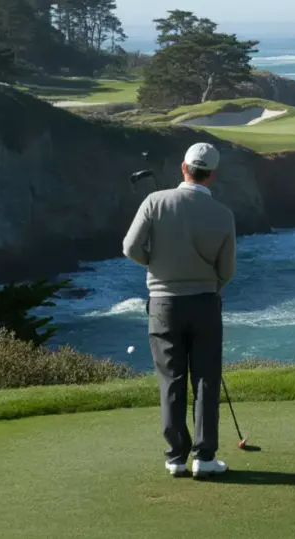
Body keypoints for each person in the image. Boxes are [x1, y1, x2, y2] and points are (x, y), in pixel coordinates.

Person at [122, 142, 237, 479]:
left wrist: (154, 263)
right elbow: (227, 270)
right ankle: (205, 457)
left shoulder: (155, 202)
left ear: (183, 168)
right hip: (204, 302)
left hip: (163, 304)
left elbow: (130, 248)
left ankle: (176, 458)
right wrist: (210, 283)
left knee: (171, 379)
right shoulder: (223, 214)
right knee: (205, 380)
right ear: (212, 175)